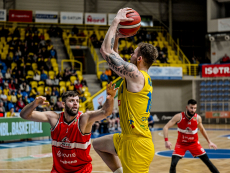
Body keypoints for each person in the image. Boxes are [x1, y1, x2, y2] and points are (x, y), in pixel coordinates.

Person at [93, 8, 158, 173]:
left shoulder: (136, 76)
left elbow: (106, 52)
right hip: (127, 138)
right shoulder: (136, 76)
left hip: (137, 144)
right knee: (98, 145)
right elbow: (114, 57)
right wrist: (118, 37)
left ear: (140, 59)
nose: (131, 54)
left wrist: (116, 21)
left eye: (133, 53)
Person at [20, 82, 118, 173]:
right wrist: (34, 104)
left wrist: (110, 97)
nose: (75, 103)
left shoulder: (84, 119)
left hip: (81, 171)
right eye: (71, 101)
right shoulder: (54, 118)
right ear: (63, 104)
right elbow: (24, 115)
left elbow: (105, 112)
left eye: (77, 101)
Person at [163, 99, 219, 173]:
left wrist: (209, 141)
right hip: (181, 144)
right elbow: (165, 127)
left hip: (194, 144)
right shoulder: (179, 116)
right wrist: (166, 141)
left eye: (195, 108)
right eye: (191, 108)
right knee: (173, 164)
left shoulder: (198, 118)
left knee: (207, 162)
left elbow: (202, 129)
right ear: (187, 107)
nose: (193, 110)